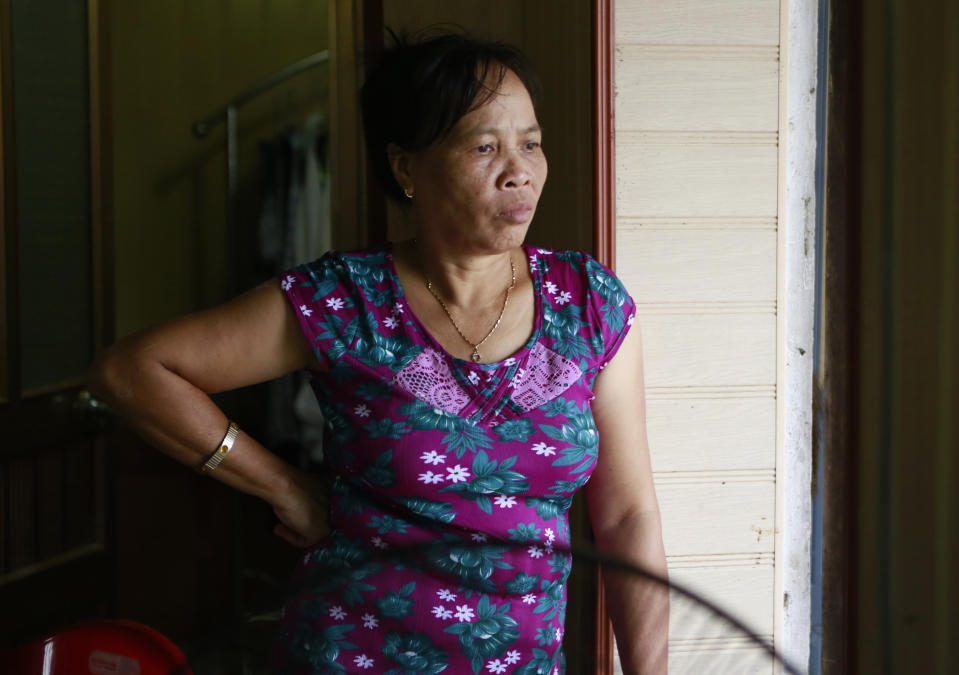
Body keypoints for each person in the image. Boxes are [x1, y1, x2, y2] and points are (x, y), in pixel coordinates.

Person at [88, 32, 668, 674]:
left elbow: (628, 516)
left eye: (530, 143)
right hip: (354, 657)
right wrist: (280, 484)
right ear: (405, 167)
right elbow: (131, 371)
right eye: (485, 147)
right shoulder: (344, 301)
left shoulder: (591, 306)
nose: (520, 170)